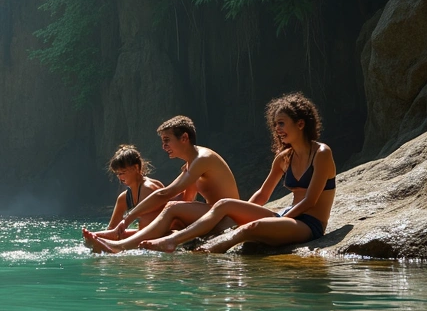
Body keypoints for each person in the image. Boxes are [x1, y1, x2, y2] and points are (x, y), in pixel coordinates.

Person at [140, 93, 336, 253]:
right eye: (275, 124)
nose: (277, 129)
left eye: (282, 123)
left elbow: (310, 200)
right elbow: (263, 194)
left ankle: (213, 248)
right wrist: (242, 211)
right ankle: (173, 240)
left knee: (251, 229)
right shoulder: (284, 158)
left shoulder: (321, 153)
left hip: (310, 225)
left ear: (300, 124)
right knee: (225, 204)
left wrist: (278, 219)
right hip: (287, 216)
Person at [84, 115, 240, 253]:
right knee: (173, 215)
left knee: (171, 208)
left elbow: (165, 194)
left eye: (167, 141)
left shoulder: (202, 159)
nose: (164, 147)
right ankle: (116, 239)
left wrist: (128, 218)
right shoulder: (190, 164)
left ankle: (120, 246)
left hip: (226, 217)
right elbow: (187, 200)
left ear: (184, 138)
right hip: (214, 215)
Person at [81, 145, 164, 249]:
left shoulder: (147, 189)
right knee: (92, 240)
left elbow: (150, 231)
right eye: (118, 174)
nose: (120, 177)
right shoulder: (124, 197)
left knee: (101, 242)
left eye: (123, 173)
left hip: (160, 235)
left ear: (136, 168)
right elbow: (112, 229)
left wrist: (110, 241)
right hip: (146, 233)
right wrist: (99, 237)